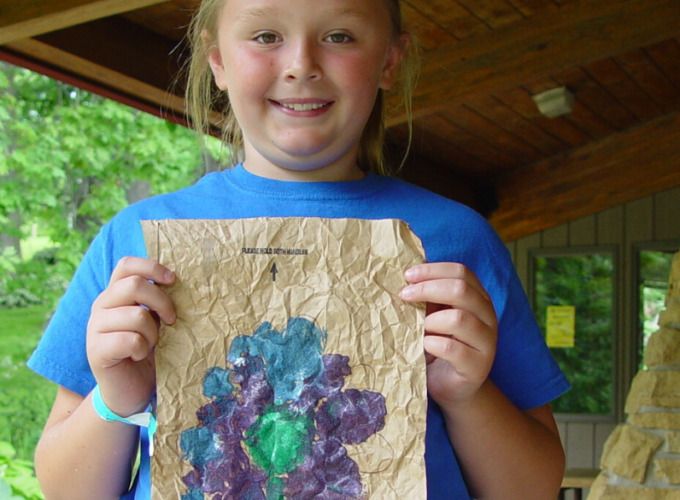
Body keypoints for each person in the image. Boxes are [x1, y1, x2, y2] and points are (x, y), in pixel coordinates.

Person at [28, 0, 569, 499]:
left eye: (338, 35)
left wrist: (466, 397)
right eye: (265, 35)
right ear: (218, 61)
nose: (301, 63)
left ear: (389, 61)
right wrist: (116, 400)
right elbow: (65, 489)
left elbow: (532, 487)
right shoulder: (137, 239)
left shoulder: (458, 241)